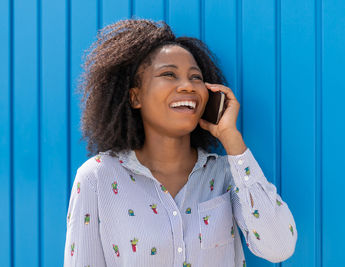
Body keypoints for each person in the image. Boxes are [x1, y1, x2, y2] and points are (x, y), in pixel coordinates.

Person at [63, 18, 297, 267]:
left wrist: (232, 140)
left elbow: (279, 247)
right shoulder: (98, 178)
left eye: (195, 77)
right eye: (169, 74)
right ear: (135, 97)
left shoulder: (228, 175)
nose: (187, 86)